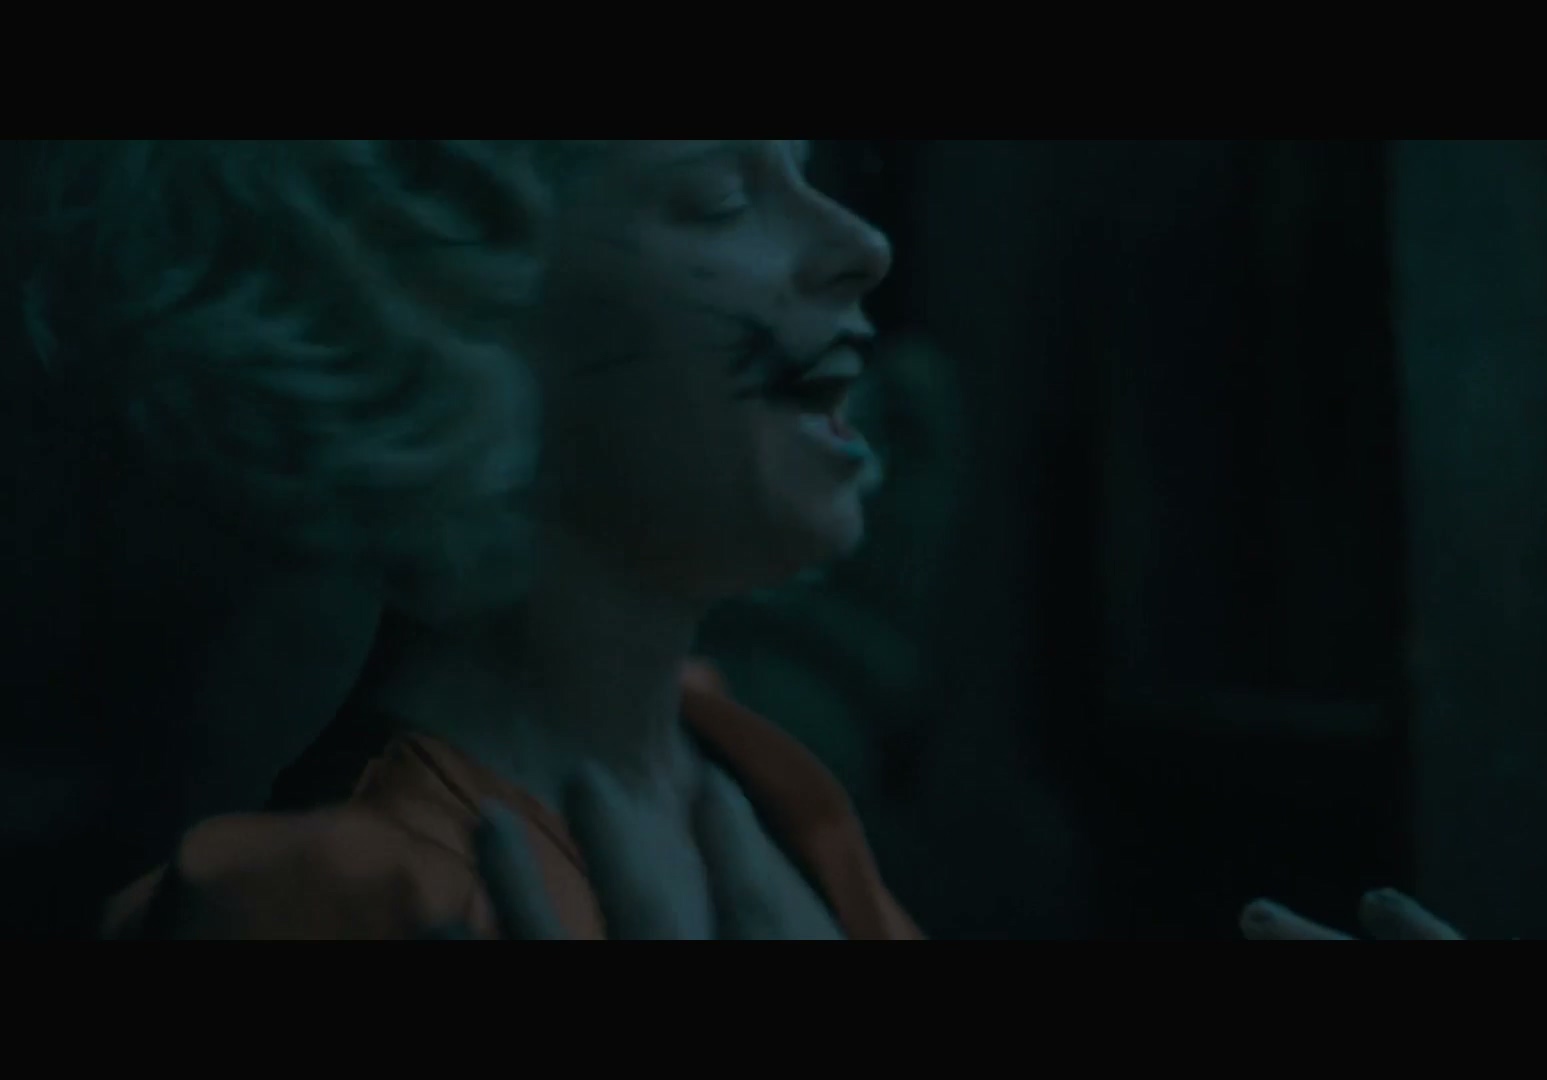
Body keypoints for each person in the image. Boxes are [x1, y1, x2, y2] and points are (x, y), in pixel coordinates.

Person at [15, 140, 919, 939]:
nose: (862, 246)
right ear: (431, 296)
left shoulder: (749, 775)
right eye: (721, 197)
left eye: (802, 168)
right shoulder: (333, 903)